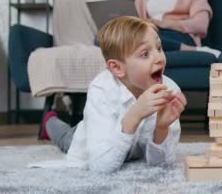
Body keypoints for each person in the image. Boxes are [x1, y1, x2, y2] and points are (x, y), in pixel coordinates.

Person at [36, 16, 187, 173]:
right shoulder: (101, 90)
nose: (159, 58)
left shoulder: (169, 89)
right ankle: (50, 120)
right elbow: (101, 166)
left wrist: (162, 128)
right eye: (145, 54)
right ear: (117, 68)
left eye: (159, 47)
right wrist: (135, 115)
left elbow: (160, 164)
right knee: (65, 137)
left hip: (123, 144)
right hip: (91, 135)